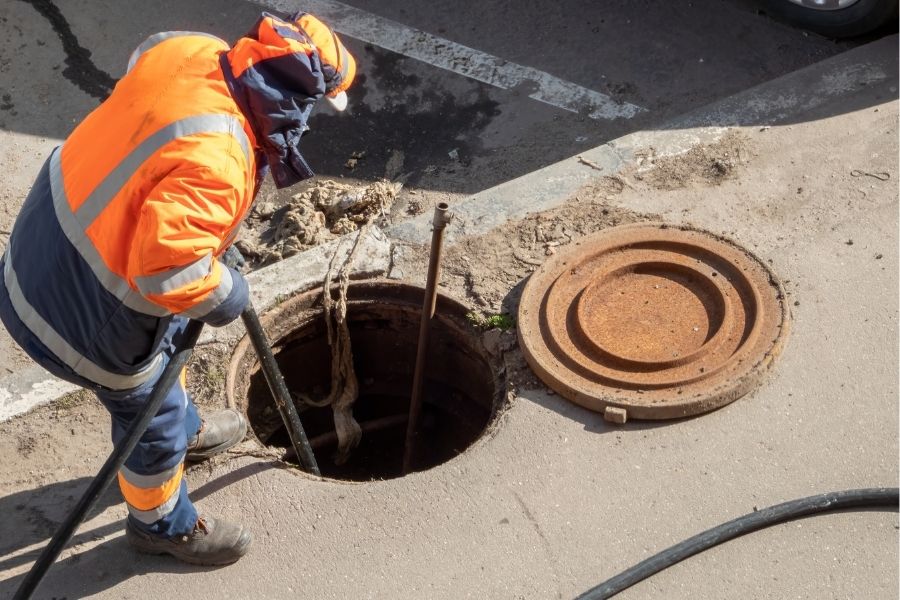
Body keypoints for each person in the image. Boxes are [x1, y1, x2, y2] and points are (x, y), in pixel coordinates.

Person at [0, 11, 356, 565]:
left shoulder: (193, 50)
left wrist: (177, 211)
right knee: (151, 418)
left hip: (44, 240)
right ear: (296, 99)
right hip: (79, 311)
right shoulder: (222, 159)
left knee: (169, 351)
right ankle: (161, 525)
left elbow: (144, 61)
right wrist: (228, 293)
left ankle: (186, 433)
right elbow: (168, 273)